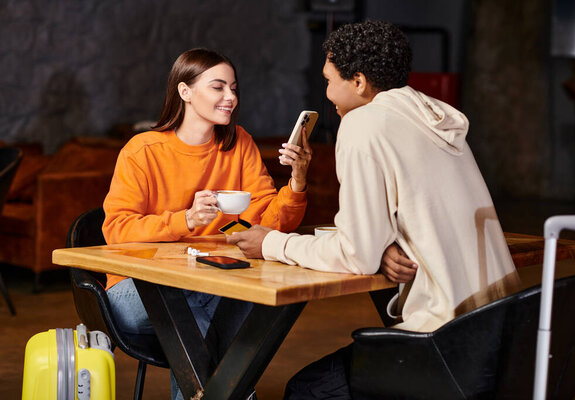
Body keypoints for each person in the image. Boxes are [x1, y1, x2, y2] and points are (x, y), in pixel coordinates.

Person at [227, 21, 519, 399]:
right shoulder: (433, 118)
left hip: (446, 343)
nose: (326, 91)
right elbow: (418, 211)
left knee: (308, 390)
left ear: (360, 82)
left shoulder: (363, 124)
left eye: (330, 80)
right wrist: (383, 244)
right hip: (505, 332)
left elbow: (356, 256)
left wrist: (271, 243)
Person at [101, 48, 312, 400]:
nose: (231, 97)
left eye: (233, 88)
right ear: (185, 91)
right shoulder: (143, 151)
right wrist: (183, 220)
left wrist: (298, 180)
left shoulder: (238, 144)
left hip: (210, 281)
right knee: (220, 312)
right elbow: (116, 230)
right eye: (218, 87)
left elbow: (268, 223)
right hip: (138, 288)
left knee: (227, 311)